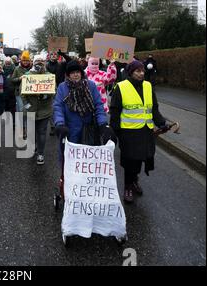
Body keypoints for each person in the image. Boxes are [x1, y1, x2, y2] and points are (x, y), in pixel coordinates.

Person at [109, 60, 168, 204]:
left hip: (146, 132)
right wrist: (115, 132)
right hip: (128, 133)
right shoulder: (121, 87)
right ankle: (128, 186)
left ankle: (134, 180)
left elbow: (154, 108)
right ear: (130, 72)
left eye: (142, 71)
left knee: (142, 158)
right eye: (137, 71)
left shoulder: (148, 86)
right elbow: (115, 111)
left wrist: (162, 123)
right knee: (130, 161)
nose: (141, 73)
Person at [53, 60, 116, 158]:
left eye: (77, 72)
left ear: (81, 73)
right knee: (69, 158)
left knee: (87, 159)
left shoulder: (90, 85)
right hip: (69, 129)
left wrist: (103, 124)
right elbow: (58, 107)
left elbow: (98, 105)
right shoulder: (62, 87)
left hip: (88, 128)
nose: (75, 75)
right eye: (72, 73)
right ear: (68, 75)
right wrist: (60, 123)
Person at [21, 55, 54, 165]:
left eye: (41, 61)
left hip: (44, 109)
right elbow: (22, 93)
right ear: (33, 62)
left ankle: (41, 153)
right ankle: (34, 145)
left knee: (42, 132)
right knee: (32, 132)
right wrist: (26, 105)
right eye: (37, 61)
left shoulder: (49, 76)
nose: (39, 63)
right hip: (31, 109)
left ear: (44, 62)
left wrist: (45, 94)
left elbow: (55, 90)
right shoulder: (27, 75)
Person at [11, 51, 32, 139]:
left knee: (29, 110)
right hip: (19, 93)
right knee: (21, 111)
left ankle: (28, 128)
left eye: (27, 61)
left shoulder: (33, 69)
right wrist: (19, 78)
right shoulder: (17, 69)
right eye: (24, 61)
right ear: (21, 61)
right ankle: (23, 129)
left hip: (30, 93)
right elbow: (12, 80)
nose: (25, 62)